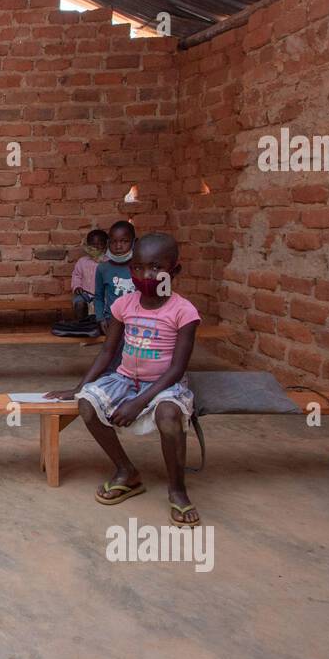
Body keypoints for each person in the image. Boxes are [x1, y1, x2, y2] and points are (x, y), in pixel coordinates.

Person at [46, 233, 202, 526]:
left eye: (157, 267)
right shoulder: (125, 305)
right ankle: (126, 471)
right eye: (139, 267)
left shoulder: (184, 311)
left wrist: (138, 403)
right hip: (126, 379)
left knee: (169, 415)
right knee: (87, 405)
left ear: (175, 271)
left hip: (164, 384)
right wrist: (79, 388)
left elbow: (177, 369)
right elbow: (107, 352)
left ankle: (178, 490)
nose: (147, 275)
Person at [93, 221, 136, 332]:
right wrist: (100, 318)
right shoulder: (103, 268)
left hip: (137, 321)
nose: (118, 246)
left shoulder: (139, 267)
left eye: (124, 241)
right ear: (108, 243)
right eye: (113, 242)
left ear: (134, 242)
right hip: (112, 321)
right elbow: (98, 297)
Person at [70, 228, 109, 320]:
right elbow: (76, 275)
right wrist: (77, 287)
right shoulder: (82, 261)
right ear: (88, 246)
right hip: (84, 294)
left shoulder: (108, 263)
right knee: (79, 304)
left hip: (102, 296)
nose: (96, 247)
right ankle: (82, 325)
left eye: (99, 244)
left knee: (103, 307)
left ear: (105, 246)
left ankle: (99, 324)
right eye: (93, 245)